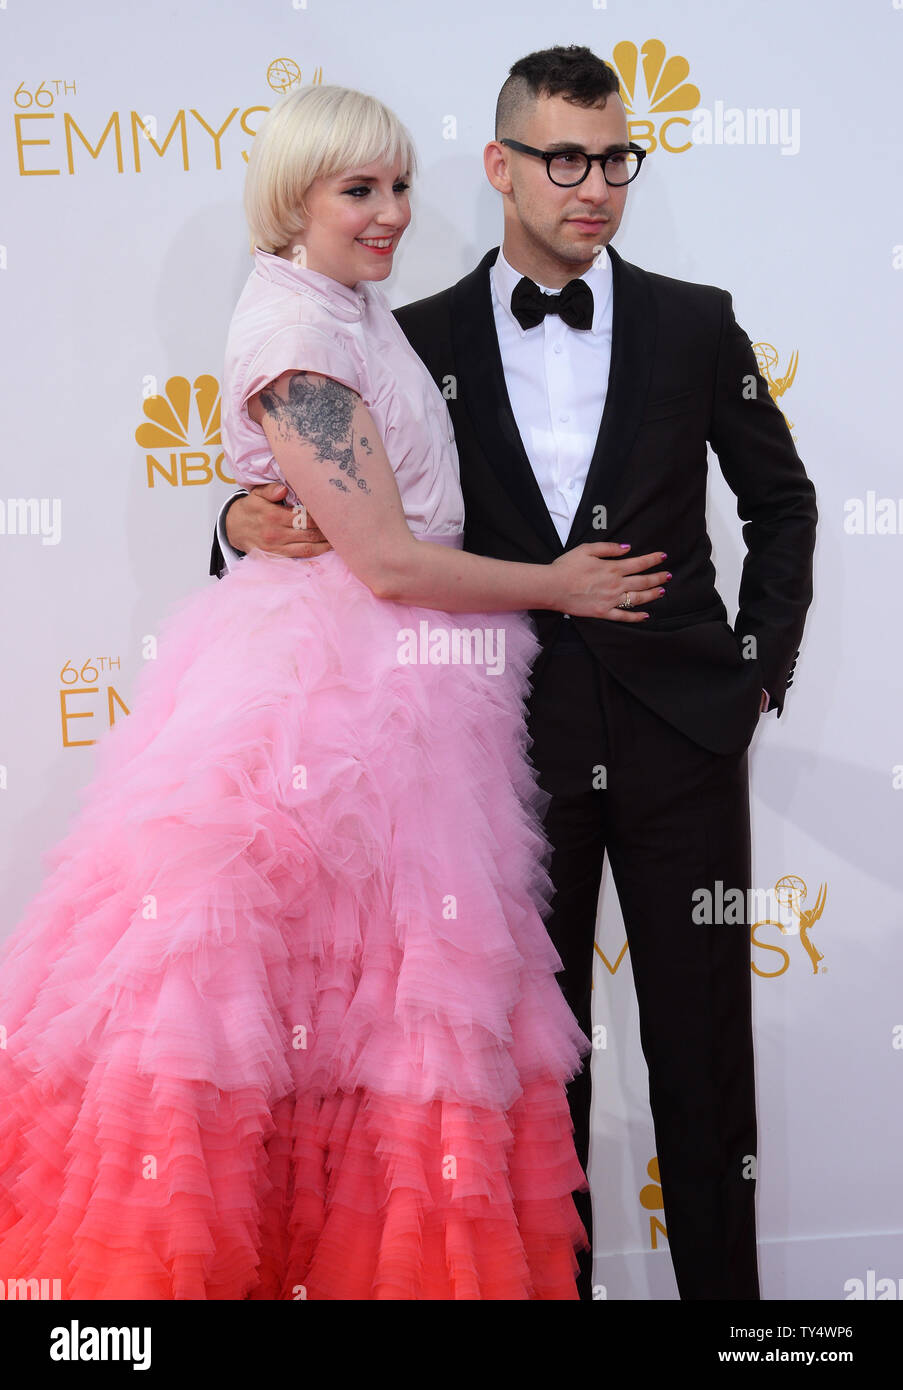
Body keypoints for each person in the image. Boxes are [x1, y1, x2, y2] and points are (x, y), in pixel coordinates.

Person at [0, 82, 674, 1301]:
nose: (392, 213)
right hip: (329, 692)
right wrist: (562, 585)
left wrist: (249, 514)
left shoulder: (349, 308)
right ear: (292, 199)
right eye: (358, 190)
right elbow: (389, 560)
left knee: (370, 1011)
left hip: (405, 688)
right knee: (255, 1004)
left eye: (400, 185)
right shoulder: (298, 332)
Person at [214, 47, 818, 1300]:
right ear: (501, 165)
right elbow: (351, 507)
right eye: (565, 160)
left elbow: (784, 502)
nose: (595, 187)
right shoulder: (406, 331)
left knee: (706, 1058)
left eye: (615, 161)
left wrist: (755, 674)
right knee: (532, 1079)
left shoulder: (695, 322)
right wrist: (231, 519)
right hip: (504, 753)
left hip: (683, 739)